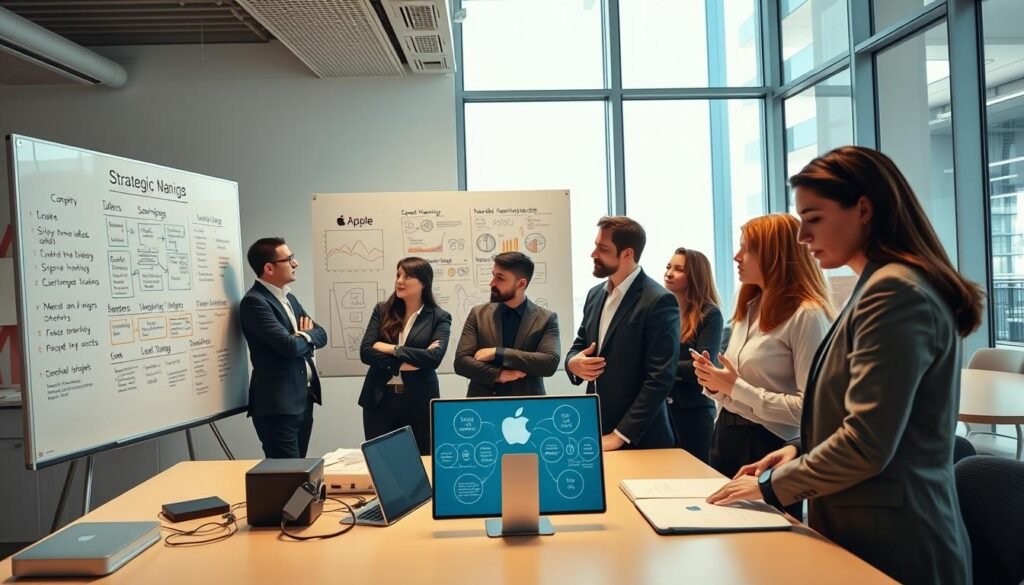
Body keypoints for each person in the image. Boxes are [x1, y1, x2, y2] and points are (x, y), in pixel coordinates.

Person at [708, 146, 983, 585]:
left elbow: (867, 443)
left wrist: (769, 486)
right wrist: (800, 448)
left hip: (896, 543)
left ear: (864, 210)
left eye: (814, 219)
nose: (803, 237)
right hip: (865, 531)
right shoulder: (875, 287)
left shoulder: (894, 293)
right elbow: (863, 415)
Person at [694, 214, 833, 507]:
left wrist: (735, 387)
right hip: (725, 435)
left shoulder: (807, 315)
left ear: (775, 255)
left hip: (771, 446)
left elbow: (810, 411)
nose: (736, 256)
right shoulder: (748, 308)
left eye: (747, 249)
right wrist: (716, 384)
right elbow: (737, 388)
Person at [565, 216, 679, 450]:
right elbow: (580, 345)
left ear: (627, 254)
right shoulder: (594, 295)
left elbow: (660, 378)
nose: (593, 254)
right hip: (595, 428)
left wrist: (620, 435)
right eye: (596, 245)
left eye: (603, 248)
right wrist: (572, 363)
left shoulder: (659, 300)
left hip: (640, 439)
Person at [240, 237, 327, 458]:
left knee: (300, 471)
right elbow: (289, 347)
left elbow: (322, 334)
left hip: (303, 399)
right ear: (269, 268)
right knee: (287, 473)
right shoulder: (255, 302)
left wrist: (303, 336)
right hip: (277, 406)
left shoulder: (289, 298)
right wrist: (305, 337)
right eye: (289, 259)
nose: (295, 263)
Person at [359, 257, 451, 455]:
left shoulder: (439, 317)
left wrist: (393, 349)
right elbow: (366, 352)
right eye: (398, 275)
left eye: (407, 276)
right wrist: (407, 362)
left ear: (424, 282)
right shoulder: (382, 310)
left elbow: (434, 358)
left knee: (421, 459)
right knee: (382, 460)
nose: (400, 281)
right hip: (380, 399)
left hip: (419, 400)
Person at [454, 252, 560, 397]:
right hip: (483, 403)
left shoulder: (546, 318)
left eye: (500, 278)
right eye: (493, 275)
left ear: (521, 284)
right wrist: (499, 375)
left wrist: (498, 353)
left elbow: (549, 363)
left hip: (527, 404)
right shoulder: (478, 314)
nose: (492, 283)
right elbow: (461, 362)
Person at [662, 247, 723, 464]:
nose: (669, 273)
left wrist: (659, 367)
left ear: (695, 276)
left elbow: (701, 367)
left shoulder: (710, 314)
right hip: (662, 412)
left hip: (693, 414)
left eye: (678, 269)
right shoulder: (663, 313)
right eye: (668, 267)